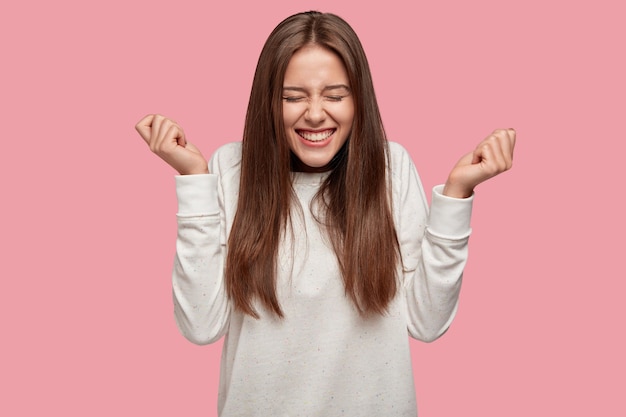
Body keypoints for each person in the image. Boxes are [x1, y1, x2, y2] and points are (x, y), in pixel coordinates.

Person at [135, 10, 515, 417]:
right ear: (268, 100)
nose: (315, 113)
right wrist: (194, 181)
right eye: (293, 96)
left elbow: (427, 322)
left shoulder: (392, 169)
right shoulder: (230, 171)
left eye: (335, 95)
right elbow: (200, 325)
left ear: (359, 98)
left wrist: (456, 196)